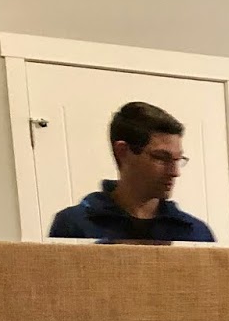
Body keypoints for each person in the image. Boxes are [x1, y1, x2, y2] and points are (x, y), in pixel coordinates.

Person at [48, 102, 216, 243]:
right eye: (161, 158)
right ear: (123, 152)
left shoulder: (196, 233)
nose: (175, 172)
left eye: (177, 159)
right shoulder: (74, 226)